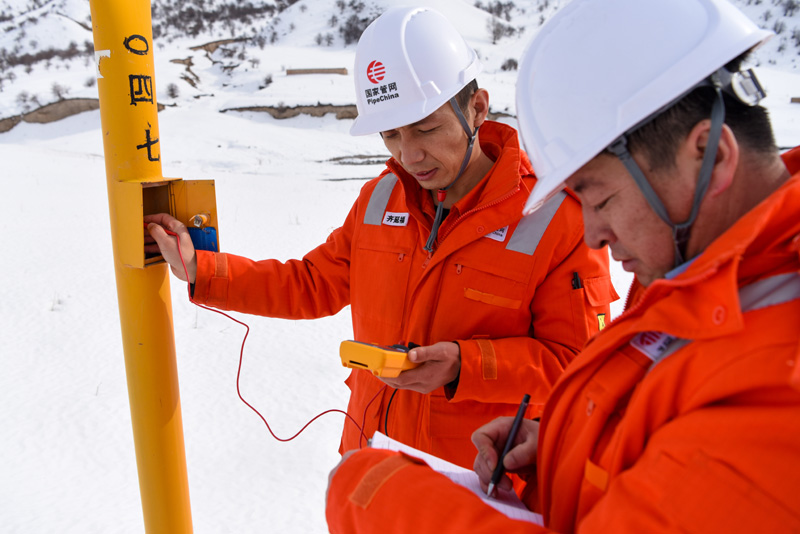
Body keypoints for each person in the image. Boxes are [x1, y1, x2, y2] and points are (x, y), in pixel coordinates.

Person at [325, 0, 800, 531]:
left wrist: (371, 489)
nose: (593, 230)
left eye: (600, 197)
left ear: (710, 151)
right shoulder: (705, 284)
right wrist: (567, 447)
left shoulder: (779, 372)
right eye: (392, 135)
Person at [145, 6, 614, 469]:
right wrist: (202, 269)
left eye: (426, 128)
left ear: (477, 108)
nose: (410, 154)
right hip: (372, 467)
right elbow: (310, 284)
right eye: (390, 135)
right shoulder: (380, 199)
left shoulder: (557, 219)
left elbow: (578, 366)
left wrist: (462, 366)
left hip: (475, 484)